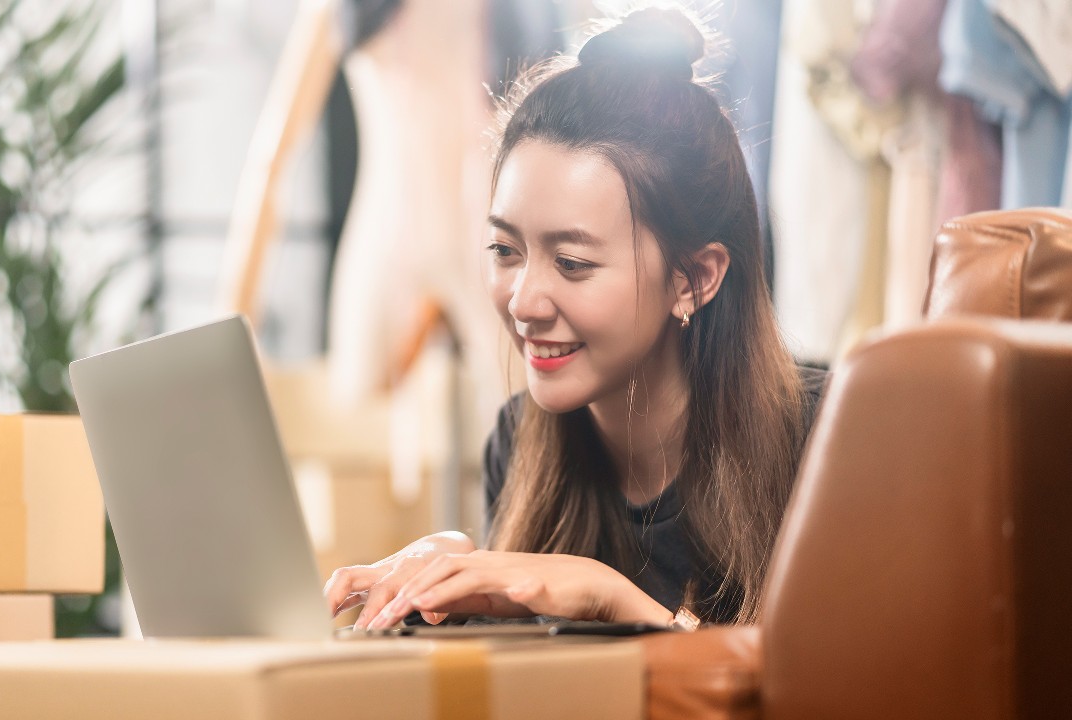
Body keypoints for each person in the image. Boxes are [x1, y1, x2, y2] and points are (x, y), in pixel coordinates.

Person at [323, 6, 828, 631]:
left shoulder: (826, 440)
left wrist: (608, 597)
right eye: (505, 251)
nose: (523, 301)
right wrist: (455, 605)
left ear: (695, 278)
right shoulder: (520, 443)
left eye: (571, 262)